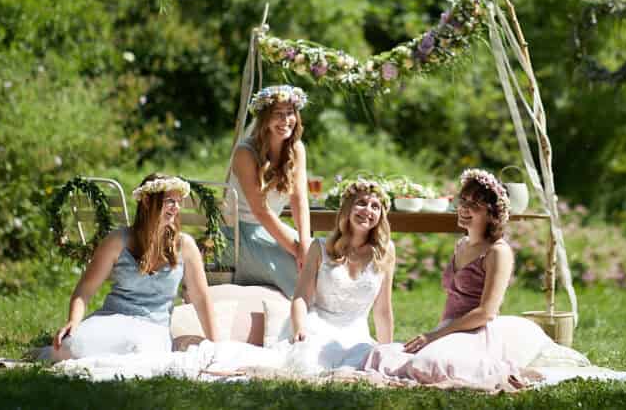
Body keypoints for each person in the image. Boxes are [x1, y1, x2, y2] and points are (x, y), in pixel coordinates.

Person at [363, 168, 585, 391]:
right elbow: (452, 300)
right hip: (450, 329)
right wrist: (437, 334)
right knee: (383, 355)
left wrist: (434, 336)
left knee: (429, 365)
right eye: (463, 200)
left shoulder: (498, 252)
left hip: (476, 331)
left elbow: (487, 312)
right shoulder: (461, 245)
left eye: (475, 204)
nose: (465, 208)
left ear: (491, 213)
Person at [52, 173, 219, 360]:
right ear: (147, 201)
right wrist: (73, 321)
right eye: (170, 201)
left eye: (179, 202)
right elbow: (85, 289)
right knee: (69, 347)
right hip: (112, 318)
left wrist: (216, 346)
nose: (176, 208)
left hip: (153, 328)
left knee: (140, 354)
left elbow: (201, 298)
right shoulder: (117, 240)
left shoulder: (185, 245)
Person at [274, 178, 395, 373]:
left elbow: (382, 310)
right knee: (307, 365)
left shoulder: (385, 251)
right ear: (347, 209)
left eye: (375, 207)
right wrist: (299, 329)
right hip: (318, 326)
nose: (368, 210)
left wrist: (387, 352)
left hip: (356, 334)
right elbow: (301, 297)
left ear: (381, 215)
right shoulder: (319, 247)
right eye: (361, 203)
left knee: (361, 367)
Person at [225, 85, 312, 298]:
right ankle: (298, 322)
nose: (285, 120)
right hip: (240, 235)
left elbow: (300, 201)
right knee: (298, 272)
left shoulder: (296, 149)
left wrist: (305, 245)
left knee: (321, 260)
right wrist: (296, 250)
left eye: (290, 113)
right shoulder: (245, 153)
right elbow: (261, 211)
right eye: (278, 114)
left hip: (272, 229)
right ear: (264, 119)